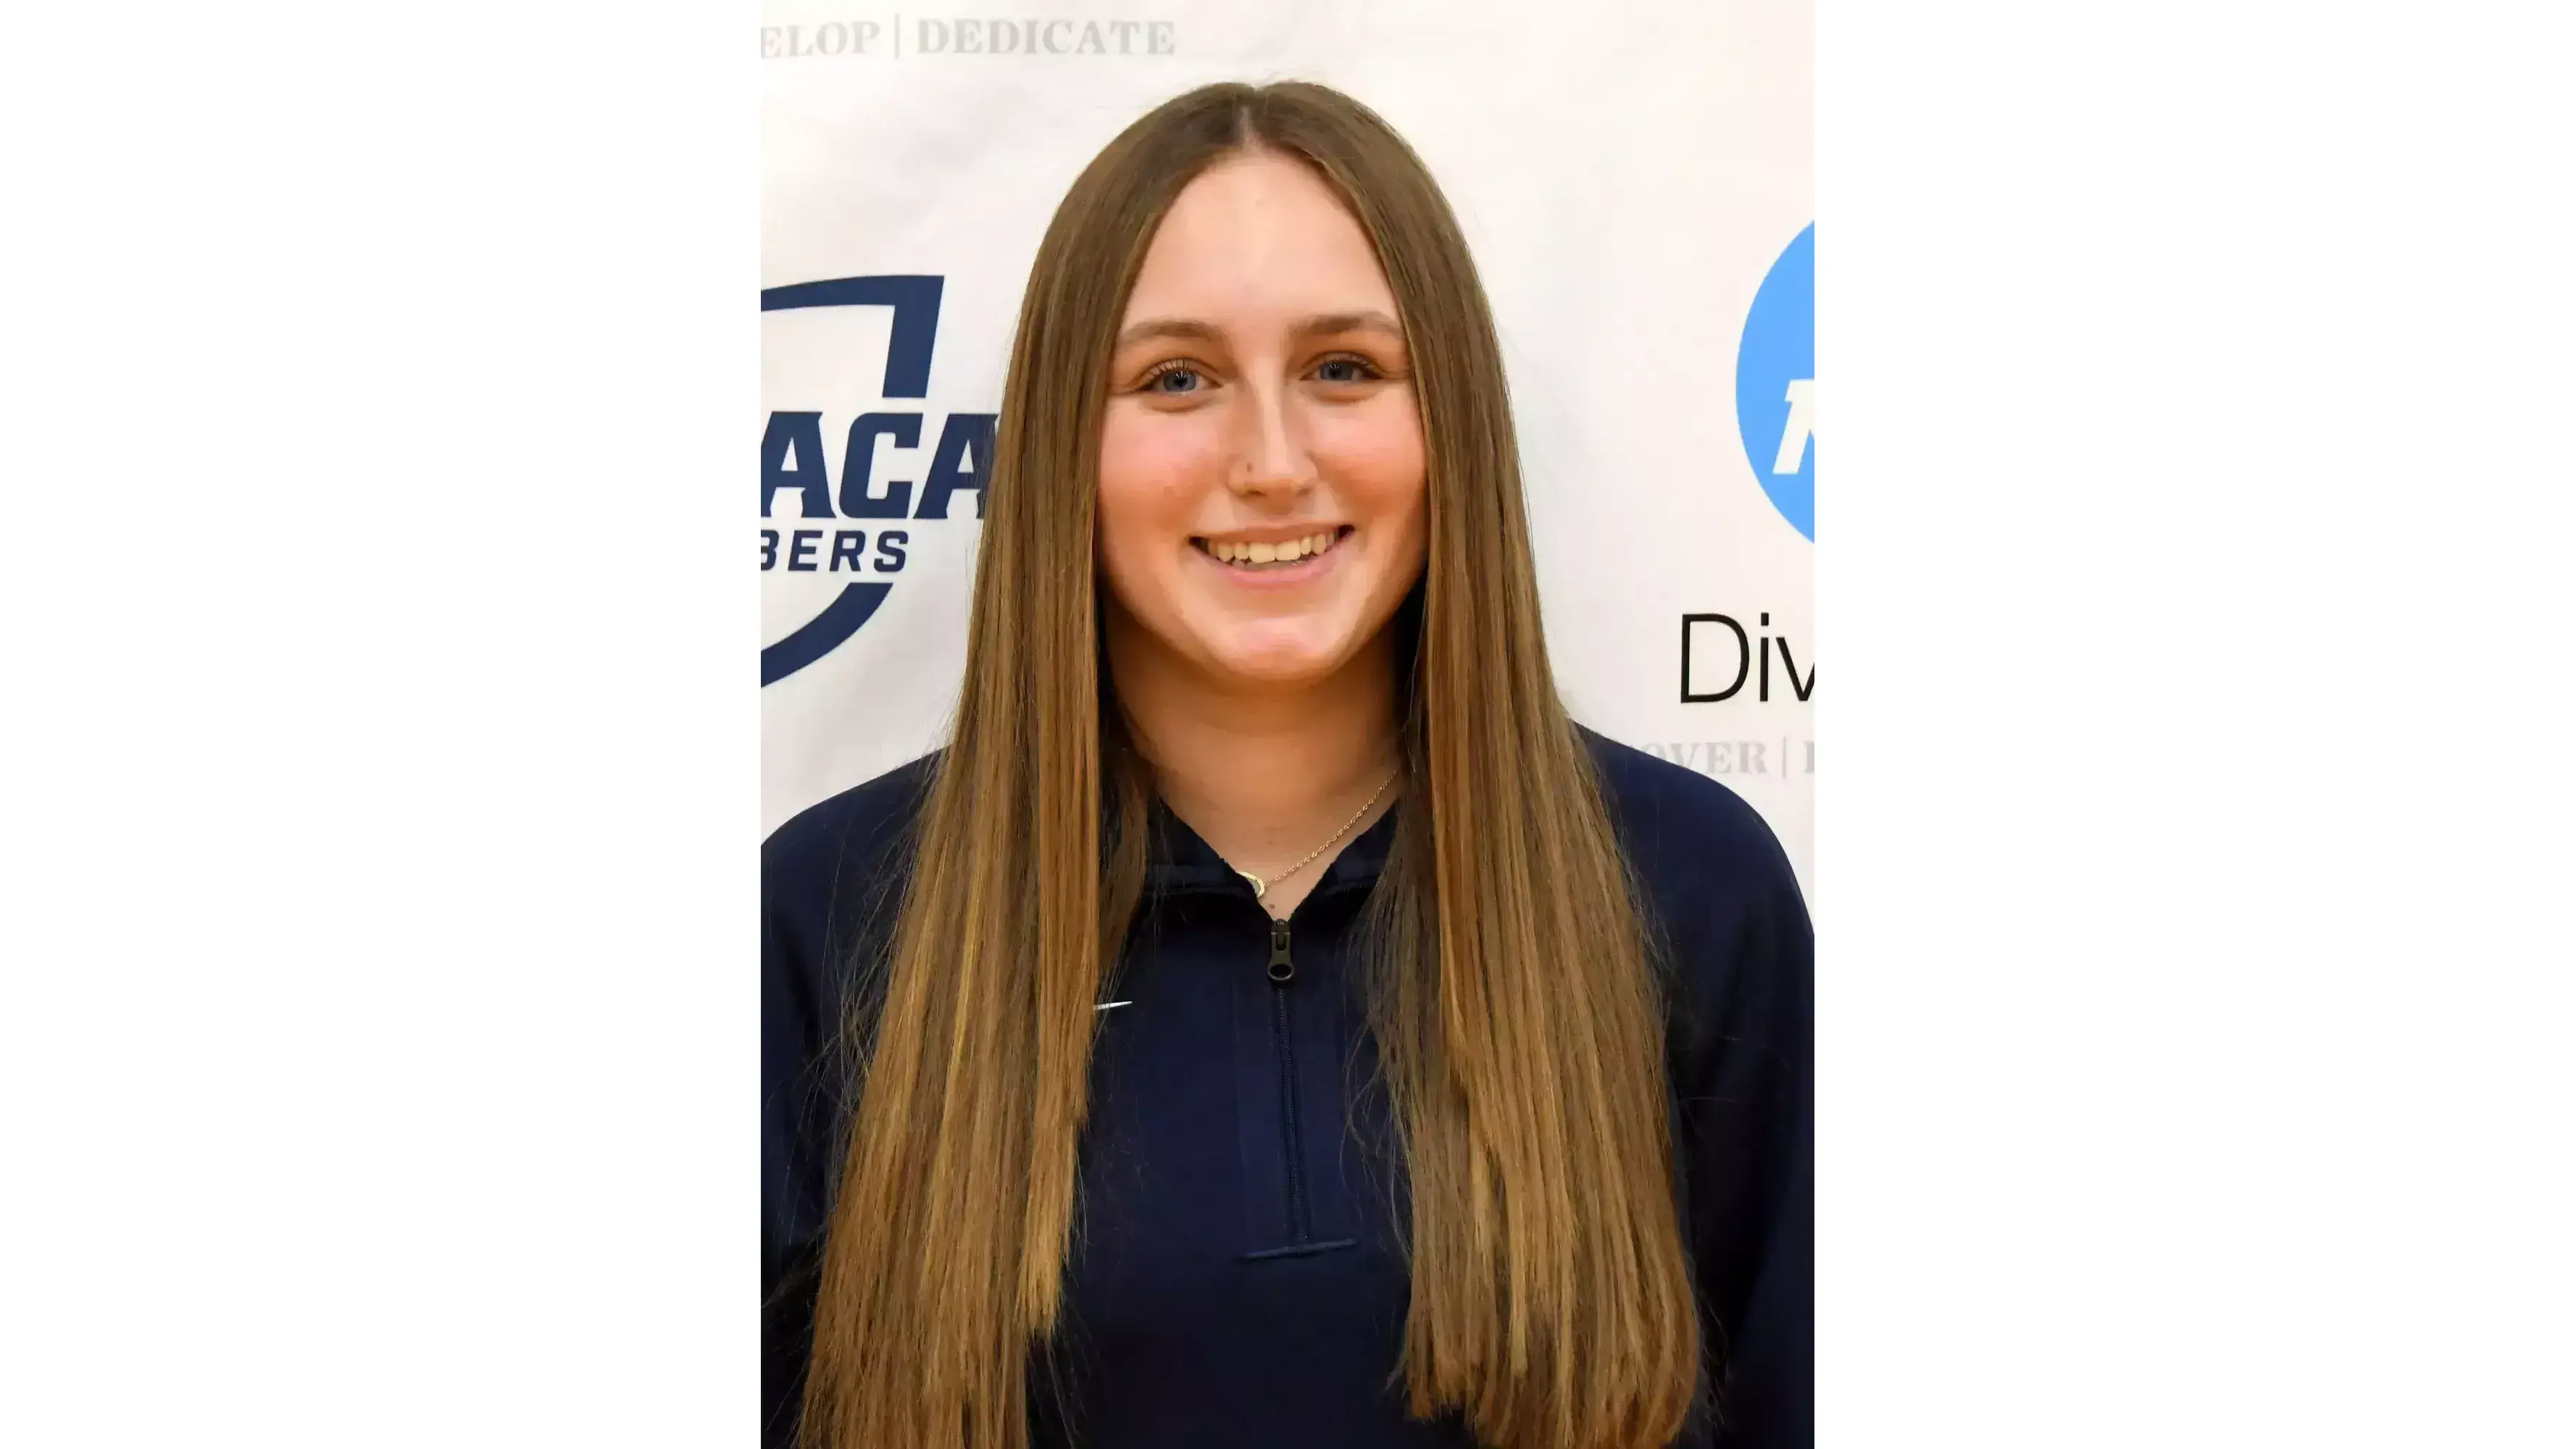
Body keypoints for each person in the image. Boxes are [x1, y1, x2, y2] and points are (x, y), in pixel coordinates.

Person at [763, 80, 1812, 1449]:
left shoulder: (1691, 889)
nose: (1269, 461)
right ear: (1061, 448)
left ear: (1450, 427)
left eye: (1343, 369)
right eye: (1176, 380)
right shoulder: (825, 920)